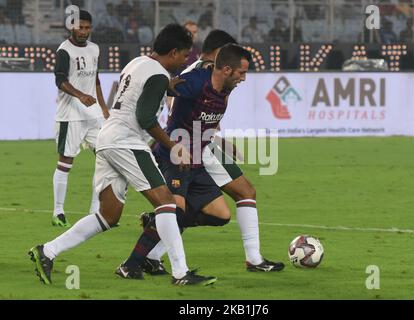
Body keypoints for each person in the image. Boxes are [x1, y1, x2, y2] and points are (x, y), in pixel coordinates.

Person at [29, 24, 216, 287]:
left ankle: (46, 251)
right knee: (166, 203)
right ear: (173, 52)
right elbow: (145, 117)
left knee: (108, 215)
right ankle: (181, 273)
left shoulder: (137, 62)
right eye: (184, 55)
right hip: (126, 141)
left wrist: (165, 87)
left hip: (108, 138)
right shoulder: (158, 75)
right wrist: (173, 146)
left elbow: (137, 94)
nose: (185, 60)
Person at [119, 42, 284, 278]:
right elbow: (159, 89)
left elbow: (206, 119)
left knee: (221, 215)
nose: (244, 79)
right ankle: (131, 264)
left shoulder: (225, 90)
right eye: (241, 73)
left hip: (198, 160)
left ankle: (157, 225)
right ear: (226, 69)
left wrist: (219, 141)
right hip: (174, 157)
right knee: (173, 211)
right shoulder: (195, 81)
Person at [51, 10, 109, 228]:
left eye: (87, 28)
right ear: (71, 27)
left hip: (93, 115)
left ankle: (95, 210)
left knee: (106, 157)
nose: (84, 31)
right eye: (80, 27)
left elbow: (96, 79)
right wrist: (80, 95)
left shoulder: (95, 49)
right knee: (66, 162)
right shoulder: (64, 51)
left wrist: (103, 108)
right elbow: (60, 80)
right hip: (70, 115)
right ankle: (58, 211)